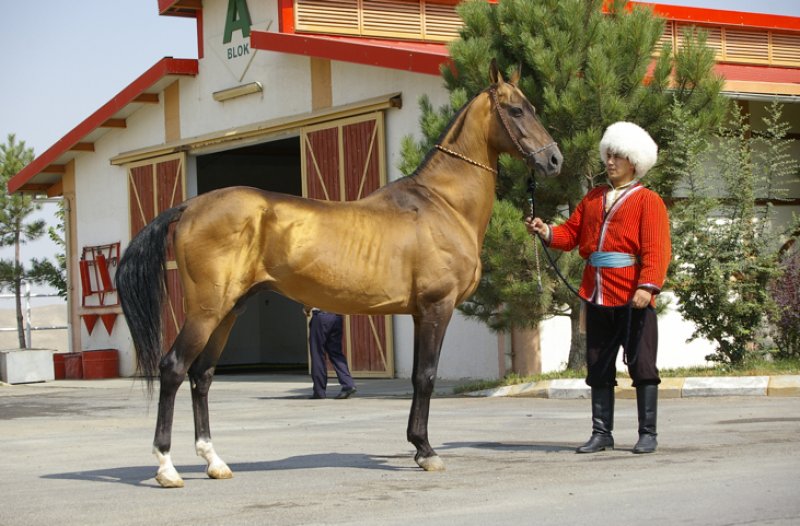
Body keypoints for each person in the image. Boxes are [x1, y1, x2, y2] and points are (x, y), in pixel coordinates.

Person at [525, 121, 671, 454]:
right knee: (599, 364)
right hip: (596, 294)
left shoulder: (649, 201)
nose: (610, 161)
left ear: (634, 161)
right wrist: (547, 231)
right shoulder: (593, 198)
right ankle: (601, 432)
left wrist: (648, 286)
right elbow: (570, 235)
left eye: (618, 156)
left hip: (634, 295)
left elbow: (657, 249)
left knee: (643, 364)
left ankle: (648, 433)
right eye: (608, 155)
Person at [305, 307, 357, 400]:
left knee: (317, 353)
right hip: (337, 316)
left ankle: (319, 391)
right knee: (336, 353)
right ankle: (348, 384)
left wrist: (307, 309)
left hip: (321, 316)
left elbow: (310, 298)